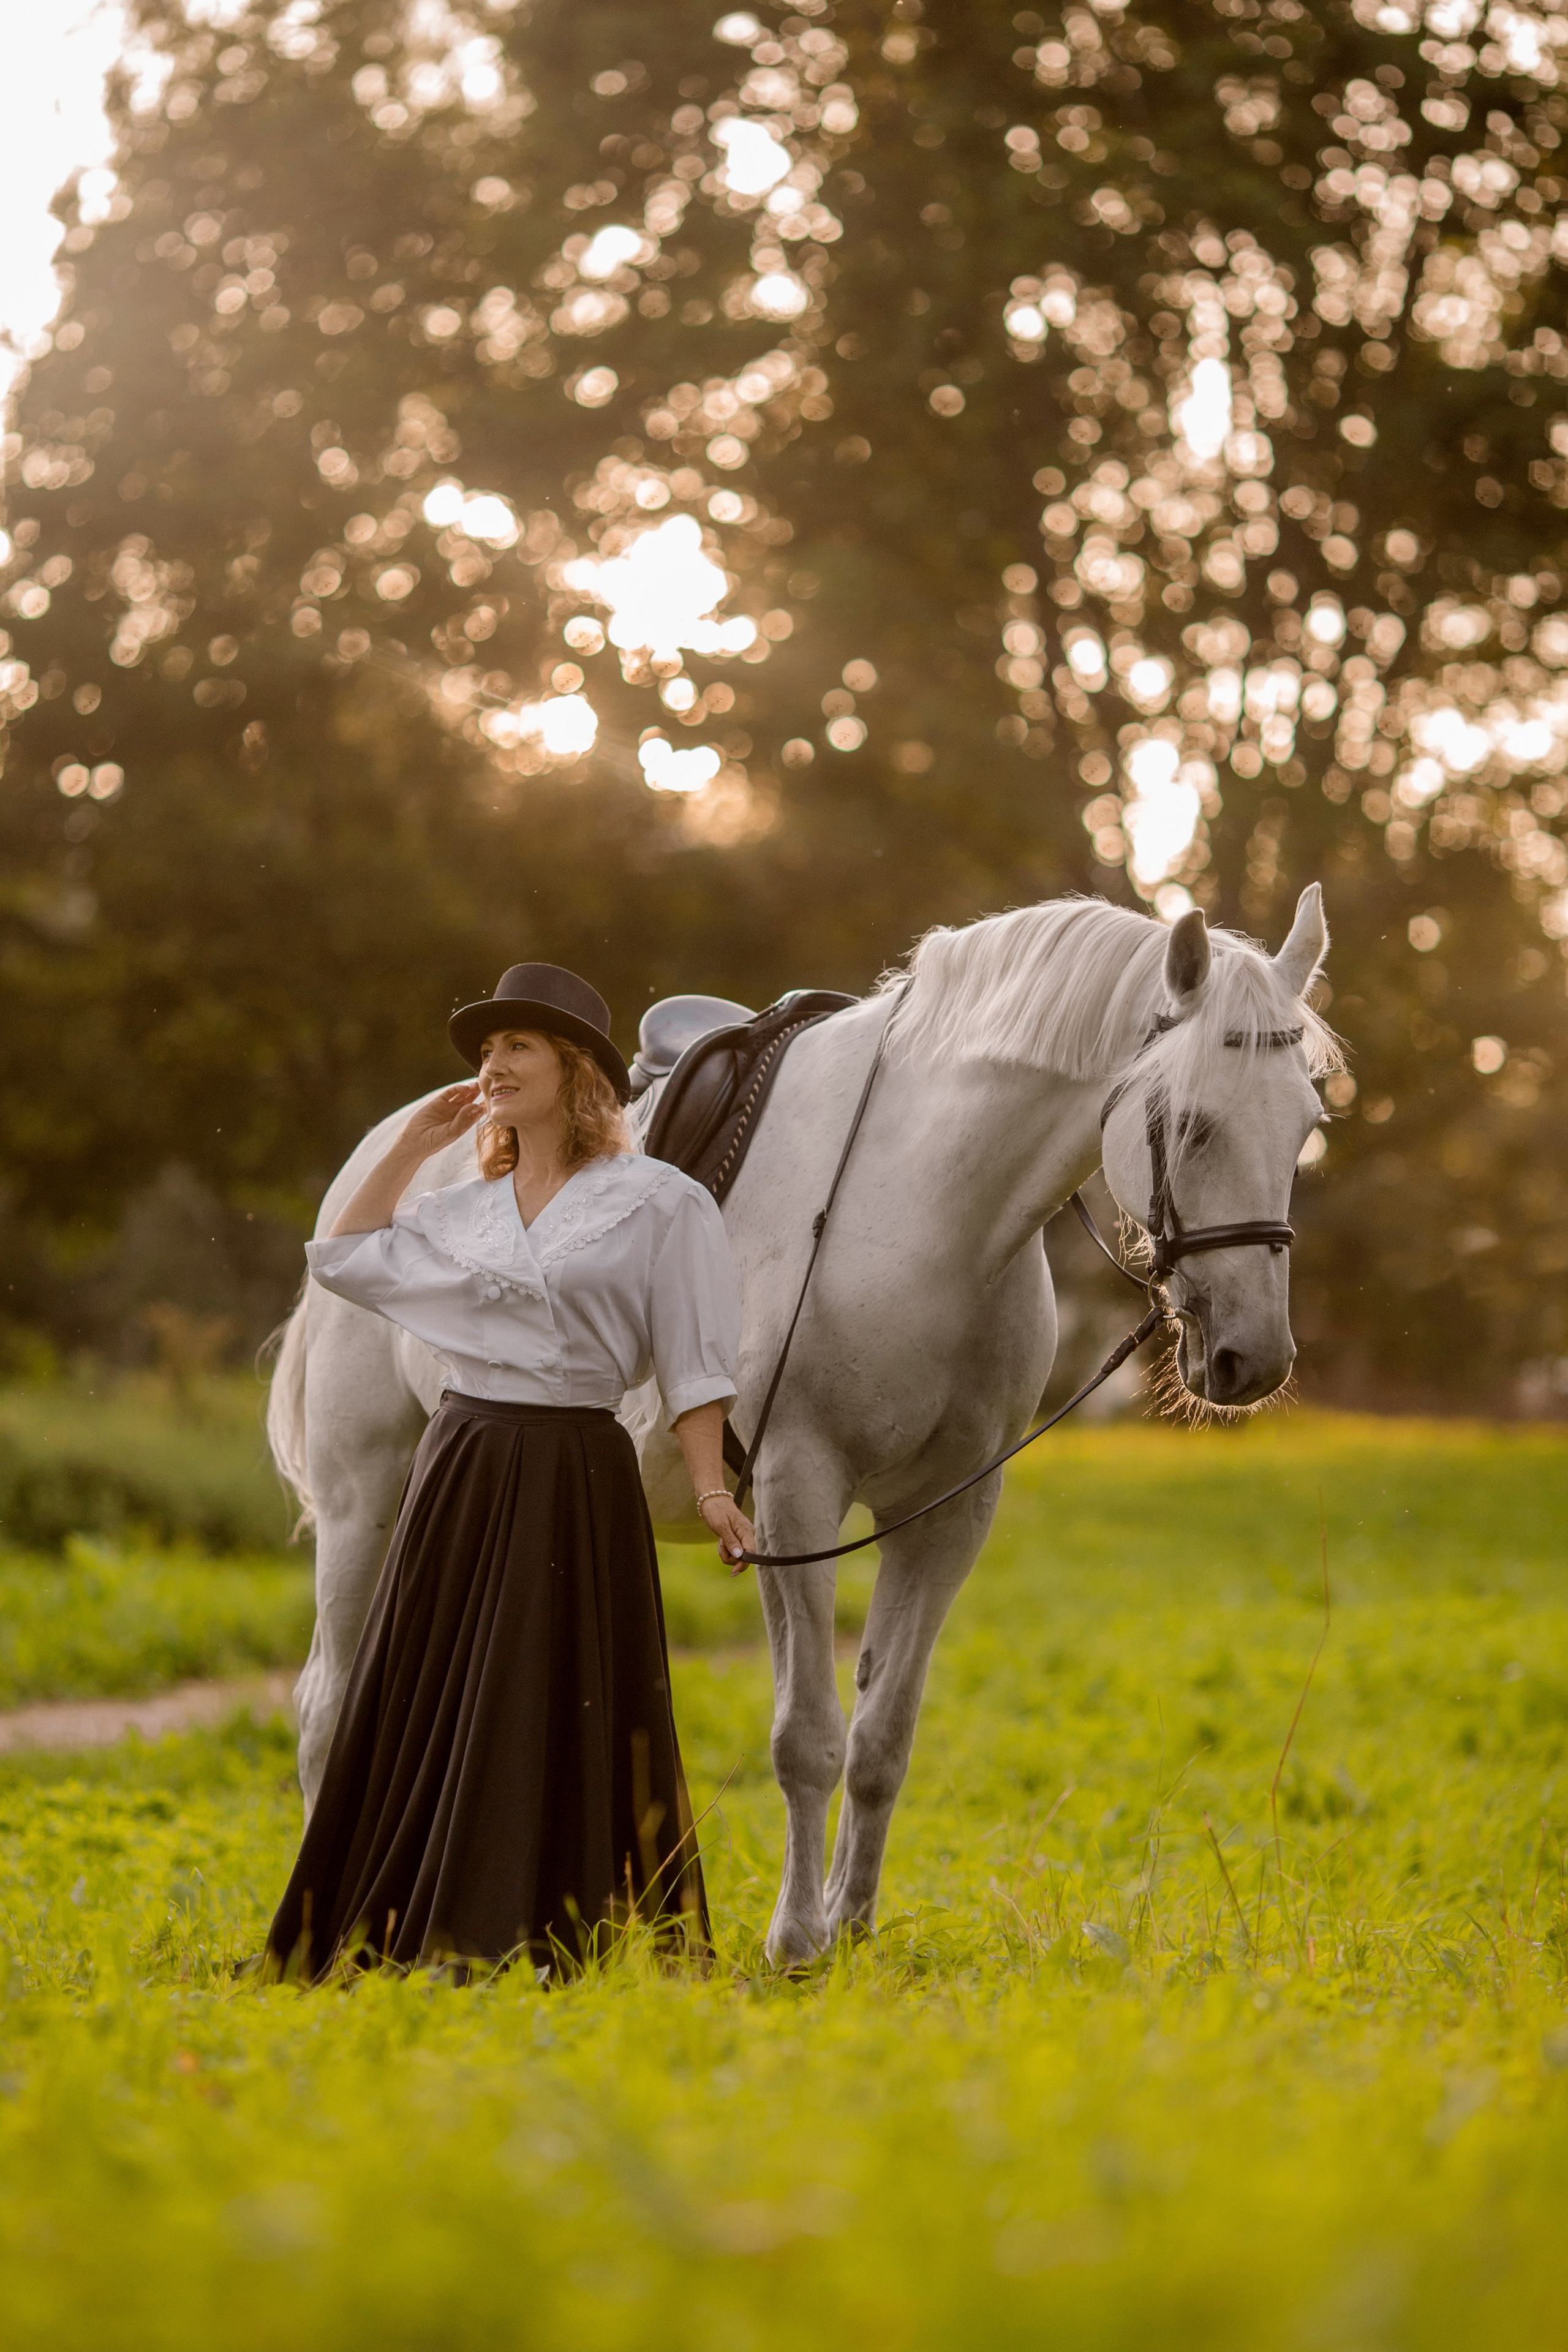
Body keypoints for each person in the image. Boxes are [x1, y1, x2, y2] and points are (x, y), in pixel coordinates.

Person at [266, 963, 753, 1979]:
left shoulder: (662, 1203)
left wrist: (712, 1493)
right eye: (486, 1051)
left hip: (578, 1465)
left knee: (560, 1699)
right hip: (465, 1458)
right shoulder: (465, 1211)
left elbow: (697, 1367)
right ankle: (411, 1920)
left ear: (577, 1073)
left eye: (515, 1047)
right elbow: (342, 1258)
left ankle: (548, 1929)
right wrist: (411, 1143)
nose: (493, 1064)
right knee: (434, 1693)